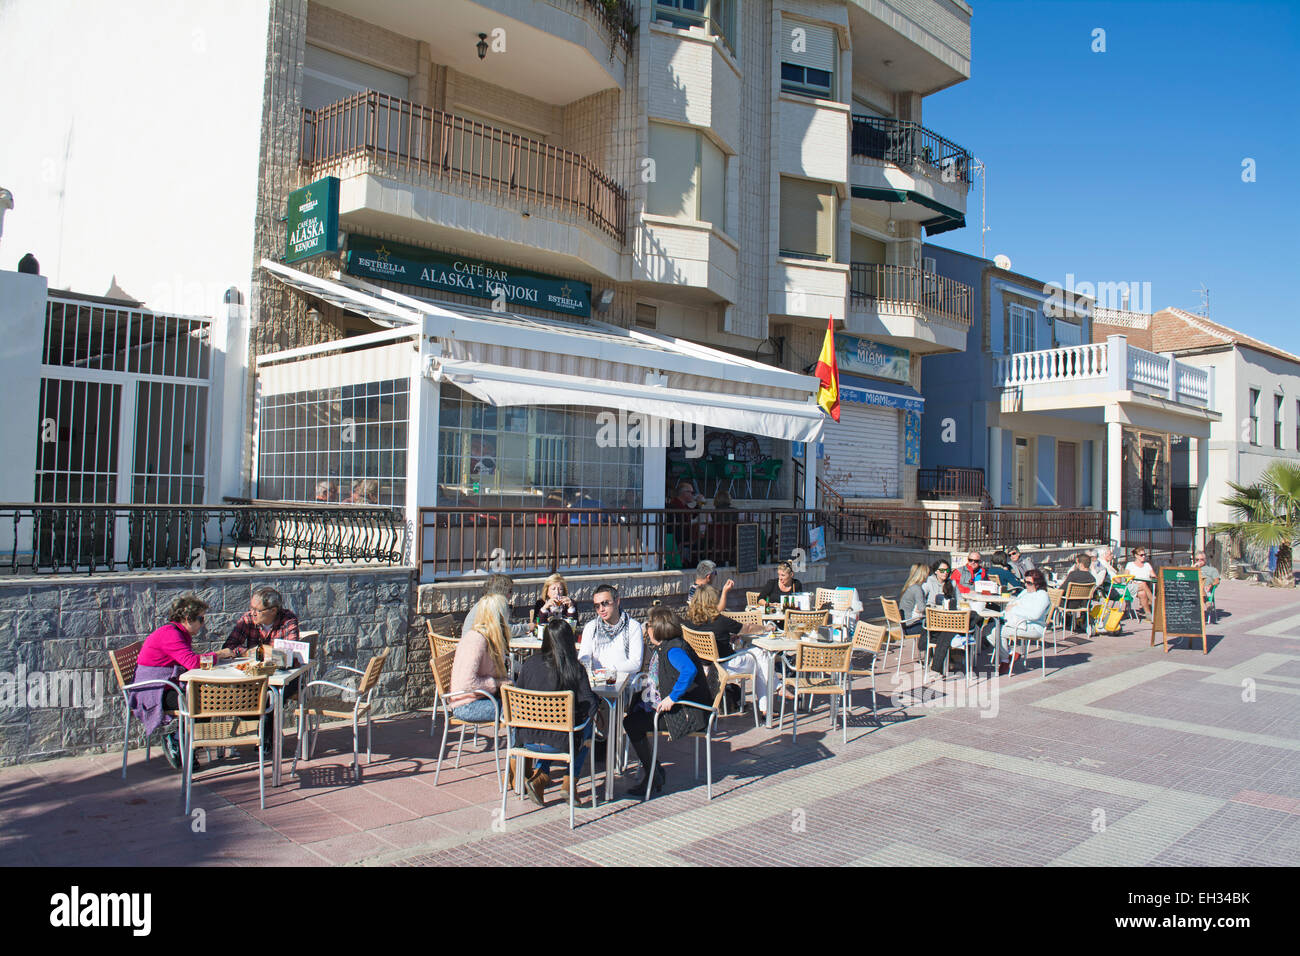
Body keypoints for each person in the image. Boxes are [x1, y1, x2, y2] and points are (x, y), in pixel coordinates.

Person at [131, 595, 235, 769]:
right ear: (187, 619)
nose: (203, 624)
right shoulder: (170, 634)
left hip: (164, 685)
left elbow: (189, 661)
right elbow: (192, 663)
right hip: (153, 692)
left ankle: (185, 743)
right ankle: (179, 742)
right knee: (205, 701)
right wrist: (220, 654)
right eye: (201, 619)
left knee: (207, 697)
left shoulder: (178, 632)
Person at [622, 606, 713, 797]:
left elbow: (689, 671)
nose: (646, 630)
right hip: (683, 707)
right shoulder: (670, 645)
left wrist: (672, 697)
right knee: (634, 716)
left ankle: (653, 773)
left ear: (657, 629)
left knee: (631, 723)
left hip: (688, 713)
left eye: (648, 626)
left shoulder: (673, 650)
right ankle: (653, 771)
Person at [512, 619, 599, 807]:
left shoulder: (529, 664)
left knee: (552, 727)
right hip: (561, 743)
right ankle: (569, 781)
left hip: (527, 739)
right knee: (586, 728)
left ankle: (541, 776)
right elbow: (591, 704)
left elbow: (518, 695)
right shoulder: (575, 668)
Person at [684, 584, 772, 715]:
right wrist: (765, 628)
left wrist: (728, 639)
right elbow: (747, 629)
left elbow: (712, 640)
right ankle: (767, 707)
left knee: (760, 658)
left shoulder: (689, 623)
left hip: (703, 666)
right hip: (725, 665)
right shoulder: (720, 620)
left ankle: (773, 694)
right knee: (762, 654)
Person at [448, 593, 509, 723]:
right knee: (518, 708)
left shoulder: (489, 638)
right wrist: (497, 683)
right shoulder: (476, 640)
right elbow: (467, 683)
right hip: (466, 705)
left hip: (481, 698)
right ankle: (518, 743)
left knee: (519, 702)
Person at [578, 584, 644, 677]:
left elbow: (635, 664)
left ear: (617, 601)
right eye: (597, 606)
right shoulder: (591, 627)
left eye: (605, 603)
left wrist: (609, 670)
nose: (601, 609)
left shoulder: (632, 626)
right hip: (597, 681)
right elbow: (584, 658)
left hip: (625, 682)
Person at [997, 568, 1051, 674]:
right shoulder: (1025, 592)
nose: (1026, 585)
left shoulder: (1042, 595)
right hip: (1018, 624)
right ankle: (1009, 654)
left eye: (1029, 583)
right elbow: (1012, 603)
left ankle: (1005, 660)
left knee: (997, 632)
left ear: (1038, 583)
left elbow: (1034, 615)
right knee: (988, 630)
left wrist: (1014, 609)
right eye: (1025, 582)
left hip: (1034, 627)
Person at [224, 586, 300, 654]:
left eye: (257, 610)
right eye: (252, 608)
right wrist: (250, 652)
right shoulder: (248, 618)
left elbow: (290, 653)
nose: (253, 613)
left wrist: (262, 649)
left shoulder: (287, 620)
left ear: (273, 611)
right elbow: (229, 647)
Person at [463, 573, 528, 640]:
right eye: (510, 591)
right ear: (502, 591)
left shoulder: (485, 602)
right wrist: (527, 627)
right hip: (478, 646)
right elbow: (505, 631)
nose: (511, 595)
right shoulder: (493, 605)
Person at [1061, 553, 1099, 632]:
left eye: (1076, 563)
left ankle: (1049, 623)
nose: (1076, 565)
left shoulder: (1073, 575)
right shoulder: (1092, 579)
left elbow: (1062, 589)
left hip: (1069, 604)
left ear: (1081, 564)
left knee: (1052, 598)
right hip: (1084, 604)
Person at [896, 563, 930, 637]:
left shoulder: (910, 586)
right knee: (936, 627)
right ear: (924, 574)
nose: (928, 576)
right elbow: (922, 609)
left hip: (905, 625)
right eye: (928, 573)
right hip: (911, 626)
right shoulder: (917, 589)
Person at [1124, 548, 1156, 618]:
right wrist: (1132, 581)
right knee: (1143, 584)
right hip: (1132, 586)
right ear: (1136, 556)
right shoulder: (1130, 564)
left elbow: (1153, 575)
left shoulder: (1147, 565)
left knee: (1142, 593)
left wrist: (1153, 577)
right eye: (1141, 555)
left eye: (1145, 555)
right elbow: (1125, 576)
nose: (1144, 556)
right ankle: (1155, 602)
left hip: (1143, 589)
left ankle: (1148, 615)